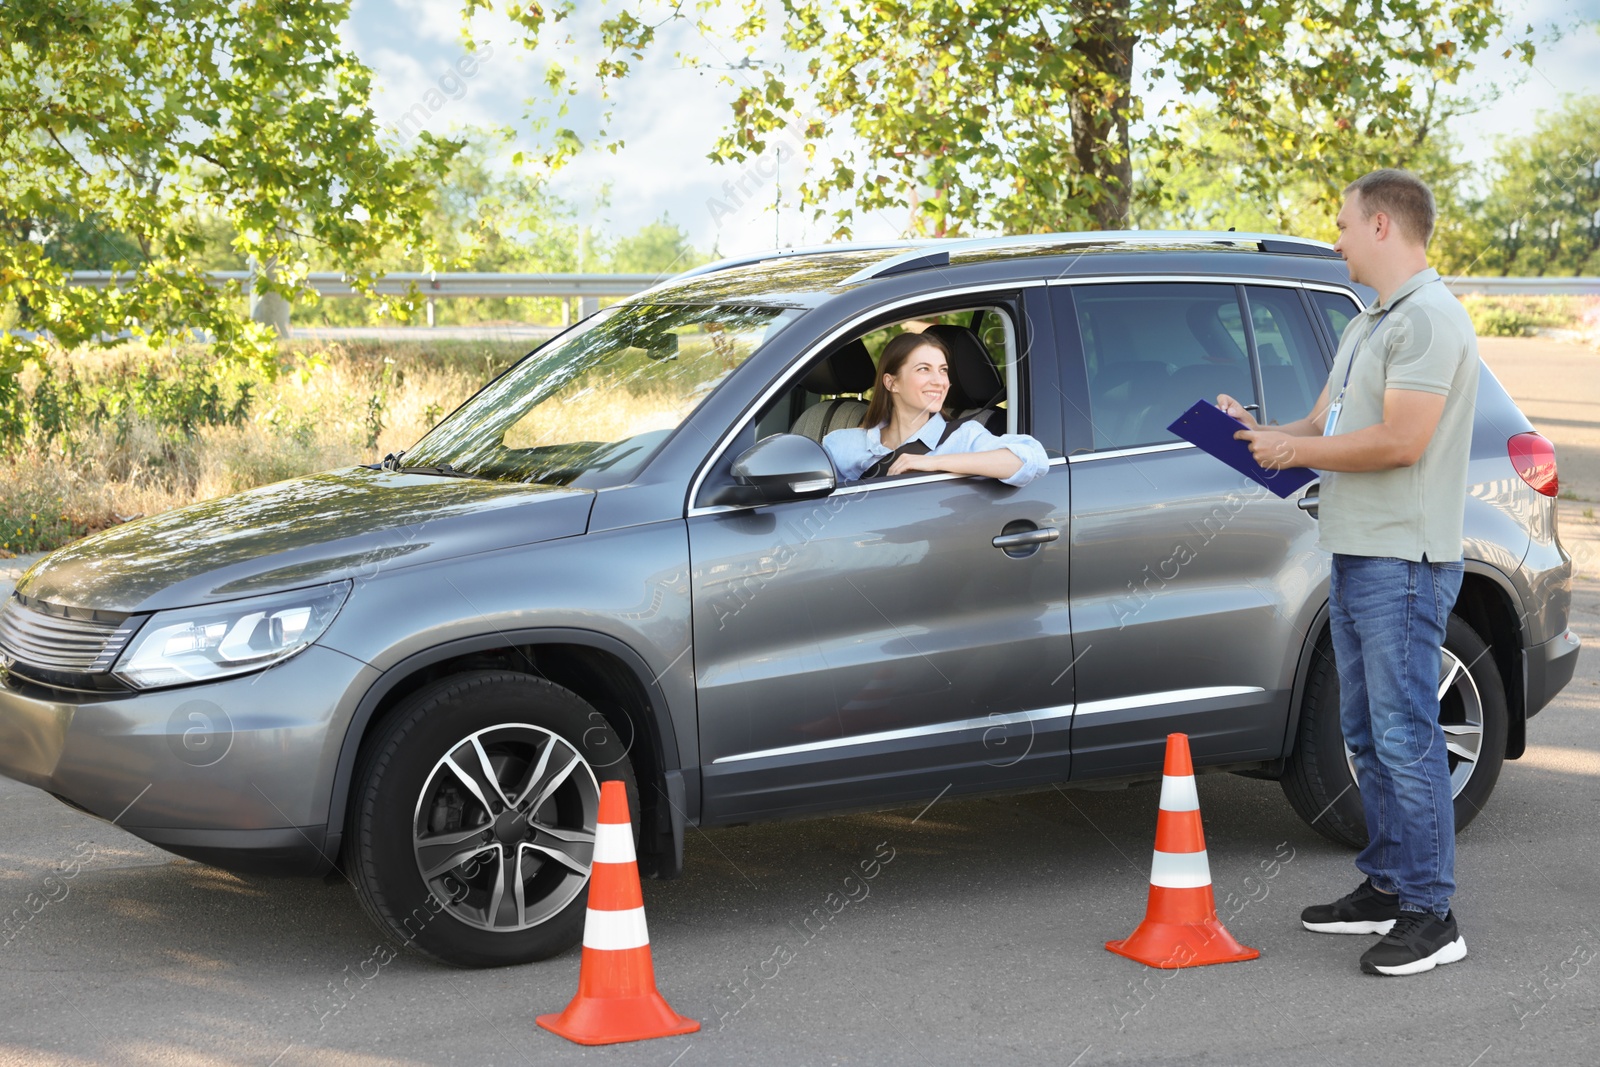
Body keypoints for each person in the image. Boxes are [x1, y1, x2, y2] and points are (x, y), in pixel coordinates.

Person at [1218, 169, 1479, 977]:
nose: (1333, 239)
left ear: (1381, 226)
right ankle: (1390, 883)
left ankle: (1433, 916)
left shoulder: (1431, 321)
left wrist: (1296, 450)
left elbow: (1401, 441)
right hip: (1360, 551)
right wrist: (1259, 435)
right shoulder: (1369, 321)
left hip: (1405, 559)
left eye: (1340, 224)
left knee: (1405, 738)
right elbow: (1324, 426)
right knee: (1367, 733)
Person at [821, 331, 1048, 486]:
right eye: (924, 369)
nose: (940, 381)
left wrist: (931, 463)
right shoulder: (841, 444)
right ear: (892, 383)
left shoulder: (963, 437)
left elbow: (1032, 460)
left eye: (943, 370)